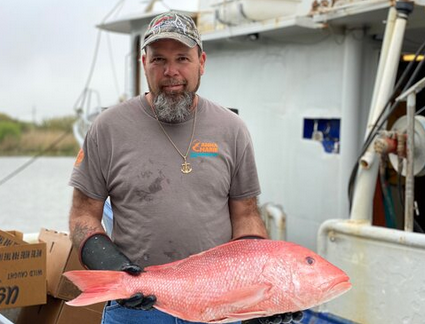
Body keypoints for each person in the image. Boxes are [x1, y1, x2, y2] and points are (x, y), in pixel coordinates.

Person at [68, 11, 303, 324]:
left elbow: (246, 214)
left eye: (182, 58)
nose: (171, 71)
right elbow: (83, 214)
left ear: (201, 62)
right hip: (136, 307)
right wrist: (113, 267)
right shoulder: (107, 128)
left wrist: (260, 288)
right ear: (144, 64)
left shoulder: (232, 129)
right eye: (158, 60)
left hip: (217, 303)